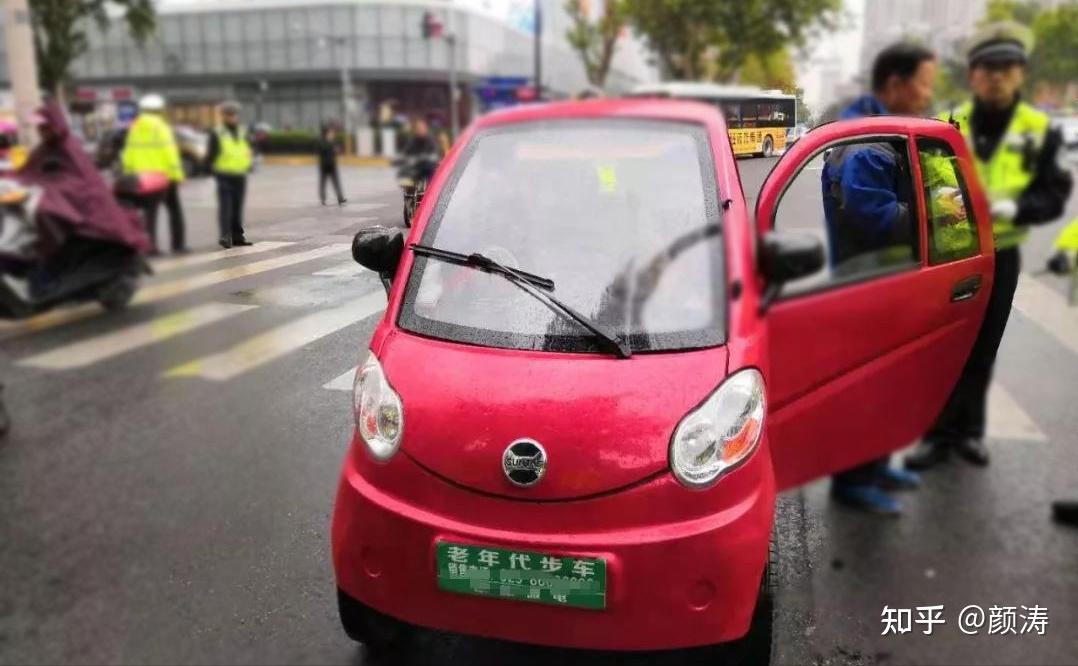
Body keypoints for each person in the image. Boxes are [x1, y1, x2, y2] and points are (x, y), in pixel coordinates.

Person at [905, 23, 1073, 471]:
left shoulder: (1039, 129)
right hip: (950, 257)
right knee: (945, 346)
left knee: (983, 346)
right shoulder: (948, 123)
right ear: (973, 75)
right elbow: (921, 185)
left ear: (1019, 74)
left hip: (1003, 255)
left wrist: (1014, 209)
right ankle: (937, 435)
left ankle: (969, 435)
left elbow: (1054, 192)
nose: (996, 76)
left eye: (1006, 68)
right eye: (986, 68)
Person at [825, 42, 939, 514]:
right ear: (895, 84)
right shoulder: (868, 140)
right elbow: (871, 214)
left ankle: (876, 466)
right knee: (869, 391)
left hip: (888, 278)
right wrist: (931, 214)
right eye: (924, 84)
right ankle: (854, 481)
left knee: (890, 386)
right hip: (868, 283)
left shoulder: (884, 127)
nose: (928, 95)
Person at [120, 93, 187, 255]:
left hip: (140, 177)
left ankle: (149, 247)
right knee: (174, 210)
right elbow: (170, 153)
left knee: (149, 213)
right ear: (159, 110)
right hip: (163, 176)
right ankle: (177, 245)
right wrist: (178, 175)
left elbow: (128, 153)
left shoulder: (134, 127)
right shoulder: (161, 127)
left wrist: (129, 174)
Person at [205, 101, 254, 250]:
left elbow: (248, 149)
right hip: (224, 175)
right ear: (223, 116)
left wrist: (248, 163)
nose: (232, 117)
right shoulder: (217, 133)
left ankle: (238, 236)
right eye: (229, 115)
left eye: (234, 114)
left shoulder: (242, 131)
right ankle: (225, 236)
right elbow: (211, 155)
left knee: (238, 207)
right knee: (226, 206)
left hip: (240, 174)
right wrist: (211, 170)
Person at [318, 124, 347, 206]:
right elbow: (322, 151)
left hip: (332, 165)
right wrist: (330, 145)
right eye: (330, 132)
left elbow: (336, 150)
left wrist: (337, 150)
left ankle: (340, 198)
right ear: (326, 133)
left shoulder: (333, 141)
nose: (332, 134)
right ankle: (323, 198)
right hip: (324, 166)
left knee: (336, 182)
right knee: (323, 183)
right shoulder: (321, 141)